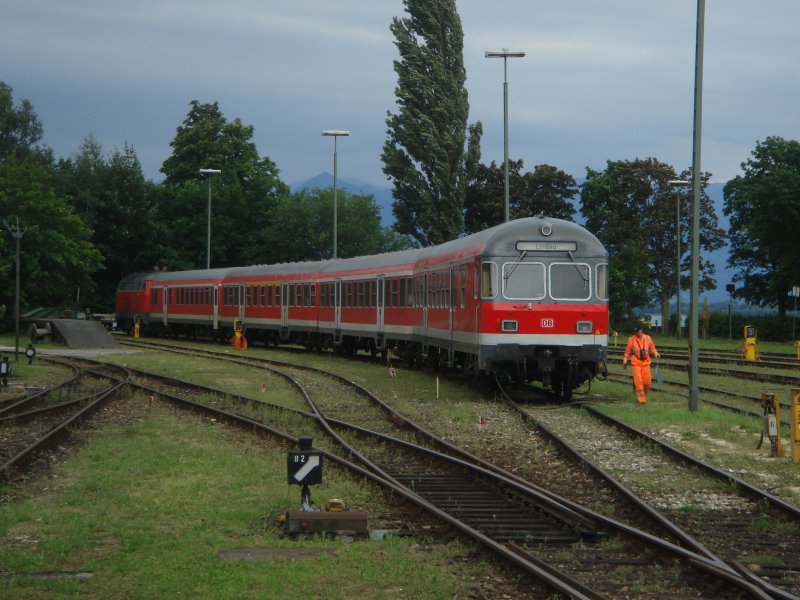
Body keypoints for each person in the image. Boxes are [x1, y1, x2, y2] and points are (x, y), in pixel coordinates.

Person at [622, 325, 659, 404]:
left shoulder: (648, 338)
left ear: (641, 330)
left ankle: (644, 395)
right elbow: (627, 351)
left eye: (637, 331)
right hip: (636, 362)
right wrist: (625, 360)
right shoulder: (631, 339)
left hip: (646, 362)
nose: (636, 333)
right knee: (638, 381)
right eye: (635, 332)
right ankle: (642, 400)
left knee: (647, 382)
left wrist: (655, 353)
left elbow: (652, 347)